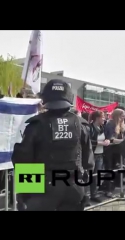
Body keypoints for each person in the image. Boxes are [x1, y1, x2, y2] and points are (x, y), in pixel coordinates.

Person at [11, 79, 94, 211]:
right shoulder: (81, 125)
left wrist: (25, 195)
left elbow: (23, 160)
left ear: (45, 99)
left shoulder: (36, 125)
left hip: (43, 188)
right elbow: (88, 161)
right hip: (73, 187)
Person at [103, 109, 125, 197]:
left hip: (118, 150)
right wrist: (123, 141)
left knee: (117, 169)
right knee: (109, 170)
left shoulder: (121, 124)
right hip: (110, 151)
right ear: (117, 116)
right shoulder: (110, 124)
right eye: (122, 116)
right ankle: (107, 189)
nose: (124, 117)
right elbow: (110, 138)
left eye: (124, 115)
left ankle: (113, 187)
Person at [88, 111, 110, 202]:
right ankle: (85, 196)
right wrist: (99, 143)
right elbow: (87, 141)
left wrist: (107, 140)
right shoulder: (90, 128)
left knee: (96, 176)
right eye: (103, 117)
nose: (104, 119)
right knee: (89, 176)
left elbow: (106, 137)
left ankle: (94, 194)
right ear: (97, 118)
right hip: (91, 155)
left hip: (100, 155)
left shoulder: (102, 127)